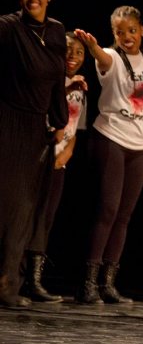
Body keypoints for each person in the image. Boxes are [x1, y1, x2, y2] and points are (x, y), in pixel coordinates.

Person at [74, 6, 143, 304]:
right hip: (110, 137)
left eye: (132, 30)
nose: (127, 37)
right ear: (114, 34)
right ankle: (88, 283)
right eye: (120, 32)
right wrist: (93, 46)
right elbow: (102, 56)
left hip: (138, 144)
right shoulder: (112, 57)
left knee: (124, 215)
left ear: (141, 30)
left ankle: (109, 283)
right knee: (107, 210)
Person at [0, 0, 66, 308]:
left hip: (39, 129)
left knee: (28, 208)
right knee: (7, 205)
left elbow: (57, 79)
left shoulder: (56, 32)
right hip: (9, 124)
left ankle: (10, 283)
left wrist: (60, 120)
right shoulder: (9, 27)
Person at [21, 32, 88, 303]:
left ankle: (33, 281)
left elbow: (76, 128)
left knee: (45, 220)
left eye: (80, 53)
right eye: (68, 50)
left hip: (60, 161)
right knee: (24, 219)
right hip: (35, 158)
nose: (73, 56)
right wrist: (68, 89)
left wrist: (67, 155)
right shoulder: (46, 80)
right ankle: (13, 275)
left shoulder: (81, 88)